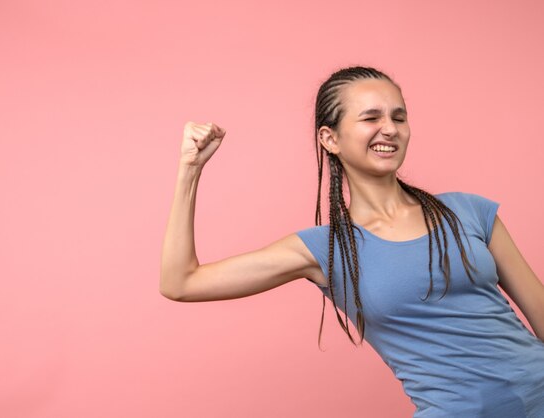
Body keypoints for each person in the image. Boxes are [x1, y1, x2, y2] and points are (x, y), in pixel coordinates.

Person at [160, 66, 544, 417]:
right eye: (371, 117)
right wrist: (189, 171)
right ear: (330, 138)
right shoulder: (324, 251)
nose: (390, 129)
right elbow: (182, 282)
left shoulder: (468, 211)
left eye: (399, 117)